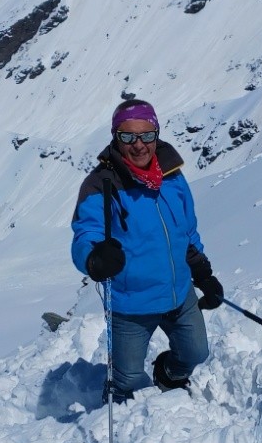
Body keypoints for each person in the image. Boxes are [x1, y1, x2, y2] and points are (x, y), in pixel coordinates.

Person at [71, 99, 224, 400]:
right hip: (131, 303)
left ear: (157, 134)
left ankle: (167, 374)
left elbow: (186, 230)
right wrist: (94, 259)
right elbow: (85, 235)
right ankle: (126, 407)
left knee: (196, 353)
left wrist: (203, 273)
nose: (139, 145)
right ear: (116, 137)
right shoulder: (101, 185)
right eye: (128, 136)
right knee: (126, 378)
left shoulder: (172, 177)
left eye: (146, 135)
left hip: (178, 293)